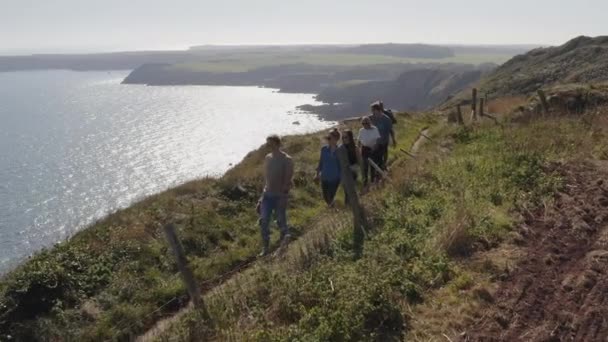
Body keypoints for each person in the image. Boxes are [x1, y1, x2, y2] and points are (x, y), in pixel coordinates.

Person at [257, 134, 294, 256]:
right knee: (264, 221)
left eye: (271, 144)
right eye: (268, 144)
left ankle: (284, 244)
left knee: (280, 221)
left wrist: (283, 196)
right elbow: (266, 179)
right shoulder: (268, 158)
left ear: (278, 144)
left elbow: (287, 181)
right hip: (267, 195)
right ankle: (265, 248)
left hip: (279, 196)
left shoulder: (287, 160)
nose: (269, 146)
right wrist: (261, 197)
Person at [315, 128, 341, 206]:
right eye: (327, 138)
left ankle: (333, 212)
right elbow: (321, 162)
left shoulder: (340, 151)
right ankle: (333, 208)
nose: (328, 140)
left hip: (335, 178)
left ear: (336, 139)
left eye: (329, 138)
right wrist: (317, 174)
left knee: (331, 196)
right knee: (325, 197)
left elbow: (341, 165)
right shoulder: (324, 149)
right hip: (324, 177)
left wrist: (341, 177)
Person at [369, 102, 397, 171]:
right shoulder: (371, 118)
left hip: (384, 141)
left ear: (377, 110)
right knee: (377, 157)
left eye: (373, 110)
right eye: (372, 110)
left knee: (383, 154)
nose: (372, 112)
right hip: (374, 142)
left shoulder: (386, 119)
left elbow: (391, 130)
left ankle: (383, 166)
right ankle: (380, 169)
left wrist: (393, 140)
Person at [357, 116, 381, 187]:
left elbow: (378, 140)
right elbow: (359, 141)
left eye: (366, 123)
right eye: (363, 123)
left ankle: (373, 181)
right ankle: (365, 182)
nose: (365, 125)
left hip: (373, 149)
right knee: (365, 166)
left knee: (372, 165)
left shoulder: (375, 129)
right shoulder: (361, 130)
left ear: (369, 123)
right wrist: (358, 148)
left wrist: (375, 147)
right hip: (364, 149)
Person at [341, 129, 359, 205]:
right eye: (343, 137)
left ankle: (351, 203)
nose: (344, 139)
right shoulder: (341, 148)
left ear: (350, 137)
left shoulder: (355, 147)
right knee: (346, 188)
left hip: (353, 169)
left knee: (350, 187)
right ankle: (349, 202)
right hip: (344, 170)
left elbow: (358, 160)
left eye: (346, 137)